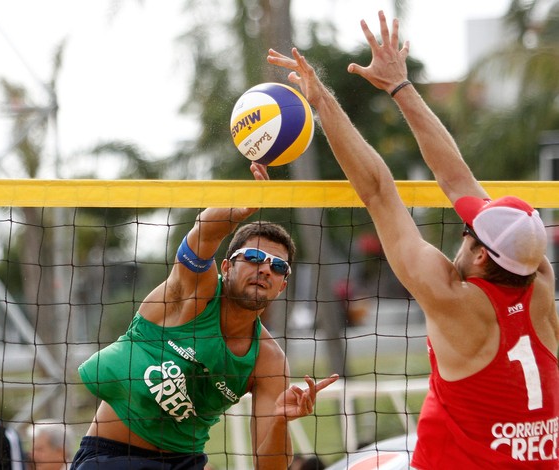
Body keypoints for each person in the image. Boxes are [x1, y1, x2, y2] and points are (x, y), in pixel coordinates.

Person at [267, 10, 559, 469]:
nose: (463, 231)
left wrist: (320, 98)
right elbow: (458, 179)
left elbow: (380, 191)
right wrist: (400, 87)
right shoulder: (539, 278)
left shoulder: (453, 299)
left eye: (468, 231)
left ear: (481, 254)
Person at [71, 162, 339, 469]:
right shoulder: (196, 293)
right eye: (253, 257)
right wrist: (236, 209)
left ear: (282, 285)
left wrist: (280, 421)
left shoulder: (268, 359)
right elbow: (201, 236)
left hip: (185, 462)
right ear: (226, 267)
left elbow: (271, 467)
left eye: (278, 266)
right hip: (114, 456)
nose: (265, 268)